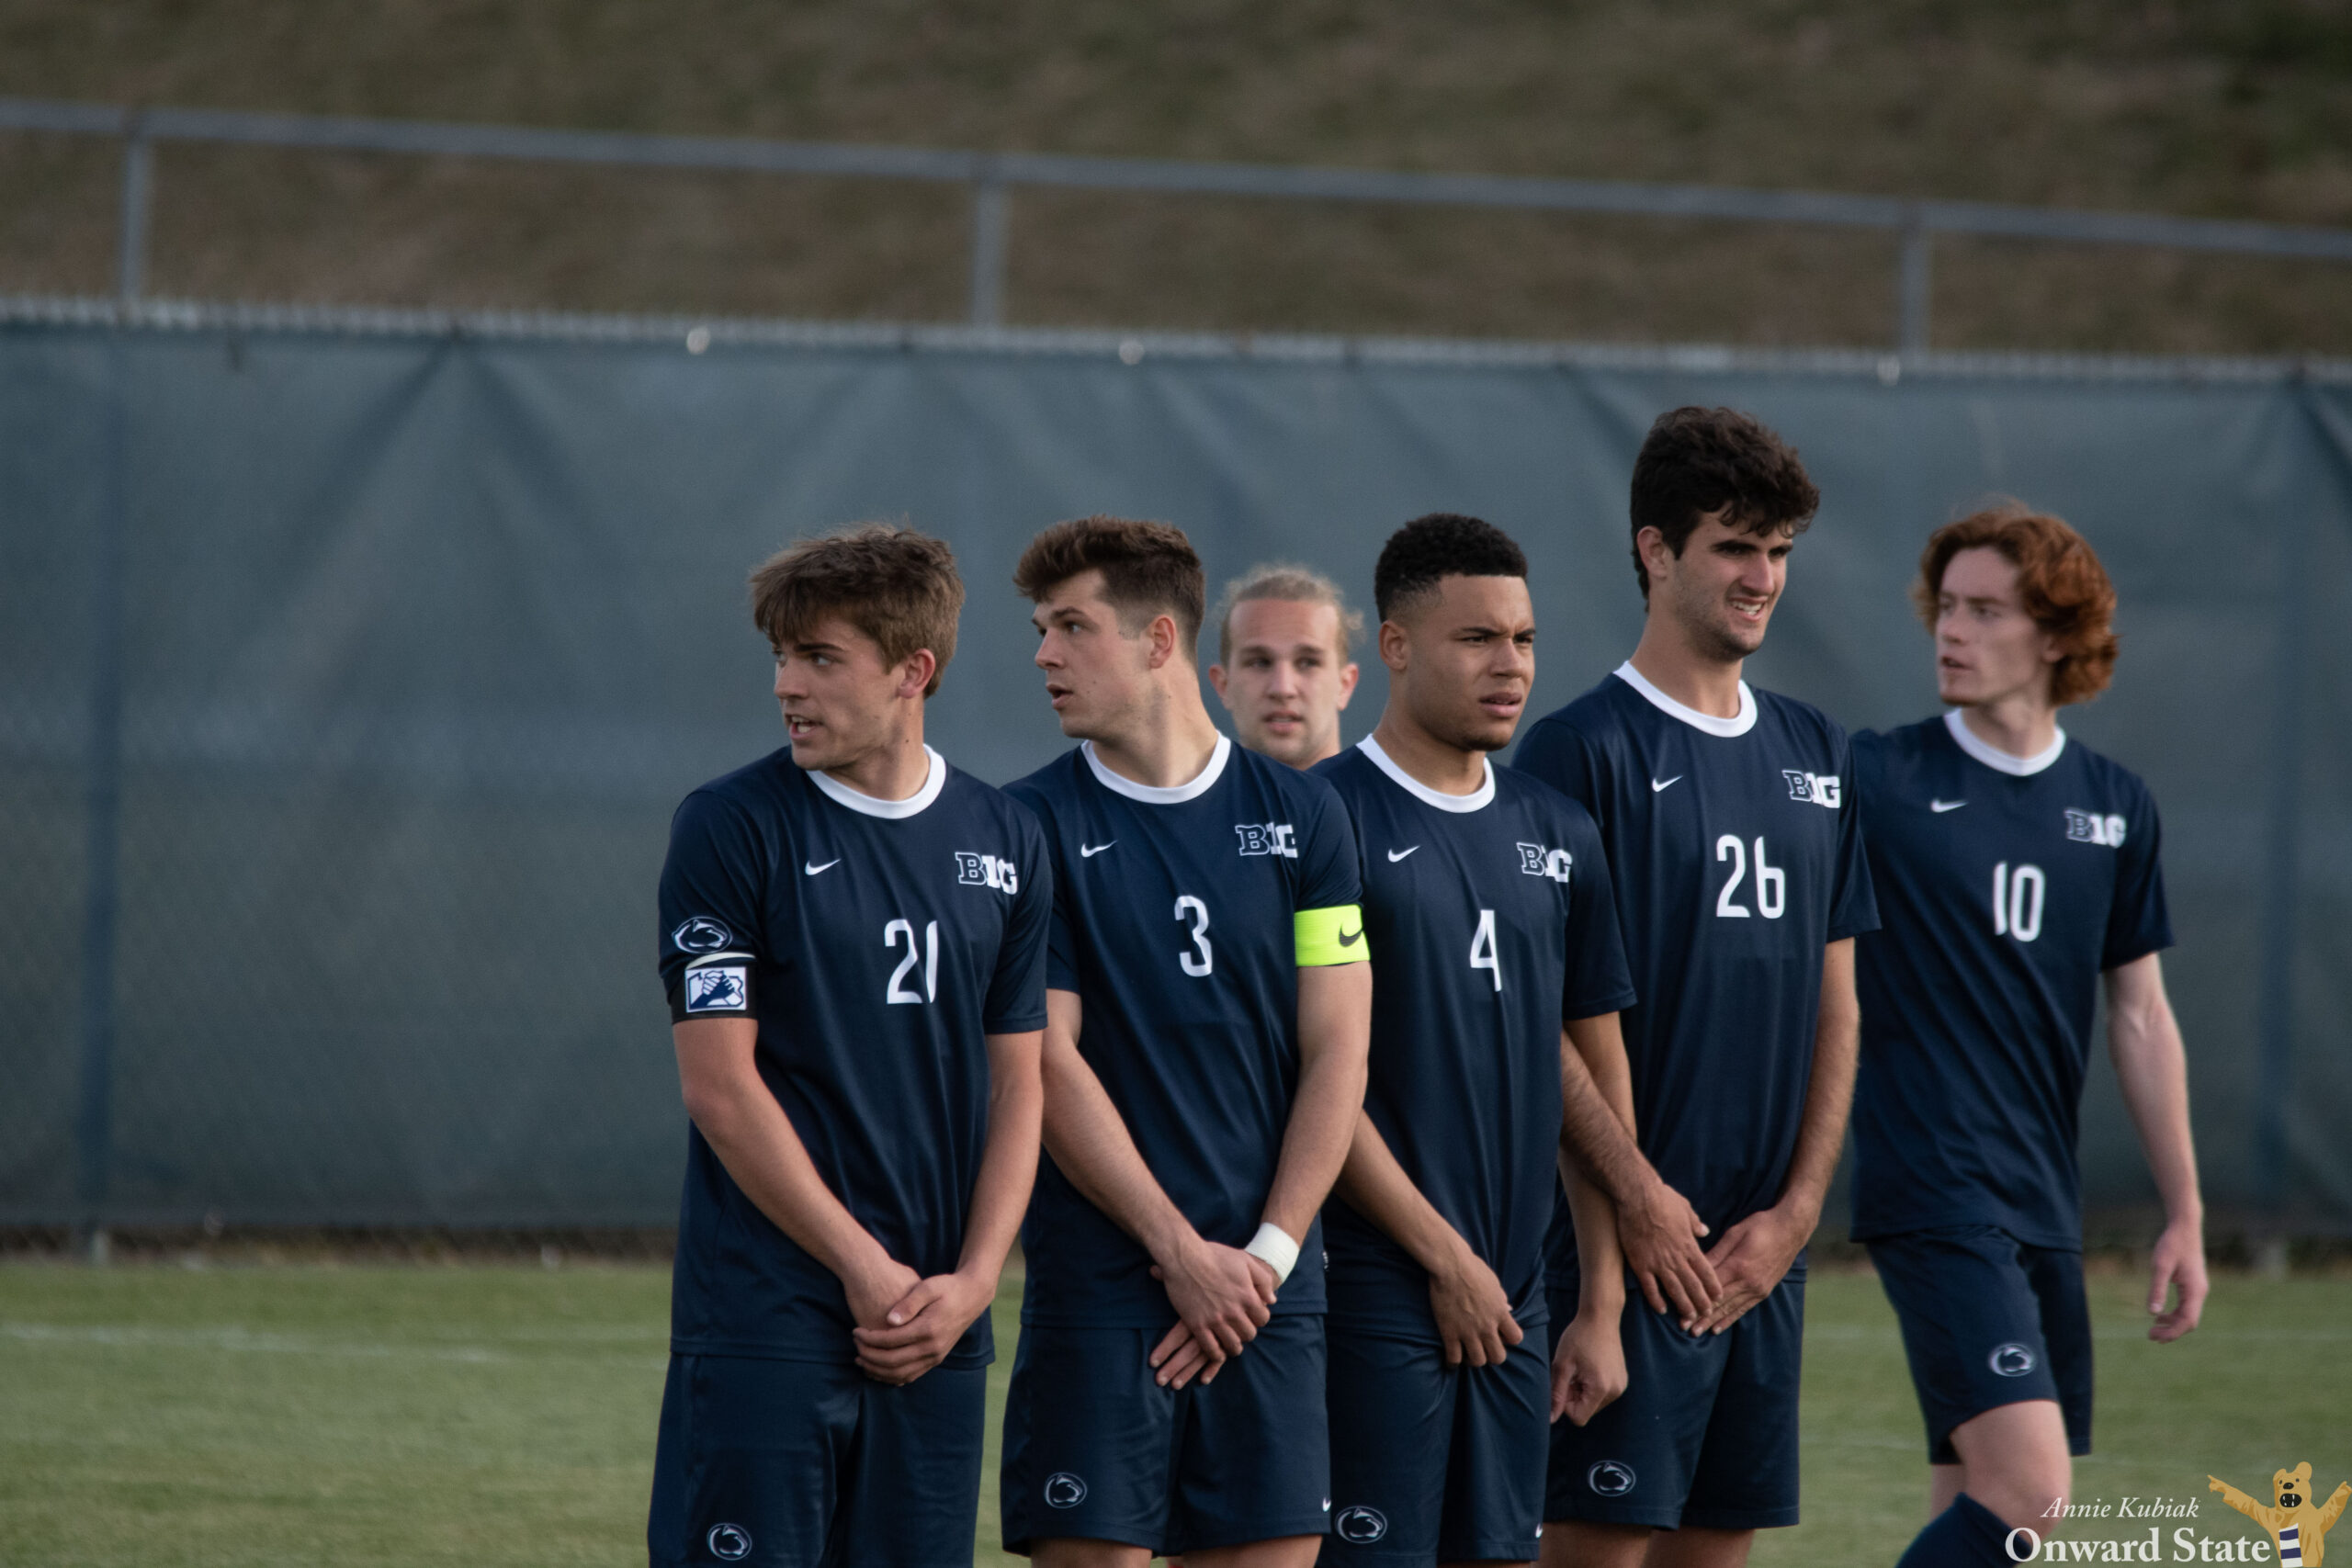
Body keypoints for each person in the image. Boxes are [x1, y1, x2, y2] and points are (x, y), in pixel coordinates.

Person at [1513, 406, 1877, 1568]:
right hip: (1618, 1256)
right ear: (1654, 551)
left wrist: (1798, 1216)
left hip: (1760, 1259)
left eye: (1776, 551)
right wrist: (1638, 1205)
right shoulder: (1579, 752)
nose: (1761, 576)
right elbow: (1547, 1028)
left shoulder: (1818, 751)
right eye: (1732, 547)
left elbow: (1839, 1007)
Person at [648, 525, 1050, 1567]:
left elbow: (1020, 1085)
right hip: (771, 1320)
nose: (788, 685)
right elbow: (721, 1091)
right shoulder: (730, 827)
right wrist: (865, 1268)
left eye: (820, 658)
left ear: (913, 671)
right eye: (781, 656)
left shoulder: (1006, 839)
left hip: (937, 1330)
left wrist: (971, 1284)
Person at [999, 515, 1373, 1568]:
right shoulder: (1027, 827)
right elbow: (1047, 1059)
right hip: (1107, 1295)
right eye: (1040, 629)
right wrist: (1174, 1252)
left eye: (1072, 628)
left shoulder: (1305, 818)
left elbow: (1340, 1049)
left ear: (1159, 642)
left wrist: (1264, 1256)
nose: (1044, 656)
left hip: (1268, 1294)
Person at [1852, 507, 2206, 1568]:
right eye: (1944, 608)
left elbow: (2139, 1014)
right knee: (2034, 1499)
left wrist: (2184, 1211)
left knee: (1974, 1508)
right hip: (1936, 1187)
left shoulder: (2112, 806)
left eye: (1985, 610)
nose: (1950, 631)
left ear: (2054, 634)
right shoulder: (1879, 780)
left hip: (2039, 1199)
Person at [1311, 513, 1642, 1568]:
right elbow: (1319, 1086)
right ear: (1396, 647)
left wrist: (1601, 1300)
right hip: (1372, 1292)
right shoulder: (1322, 820)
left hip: (1518, 1302)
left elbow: (1594, 1080)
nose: (1510, 667)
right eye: (1477, 640)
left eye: (1525, 639)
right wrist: (1442, 1259)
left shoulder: (1559, 831)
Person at [1208, 562, 1363, 768]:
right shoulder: (1176, 798)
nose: (1282, 689)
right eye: (1260, 662)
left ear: (1345, 685)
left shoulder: (1390, 799)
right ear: (1223, 685)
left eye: (1308, 663)